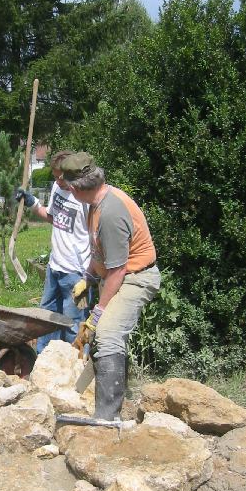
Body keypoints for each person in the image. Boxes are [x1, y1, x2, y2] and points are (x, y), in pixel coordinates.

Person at [61, 152, 161, 422]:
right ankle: (88, 400)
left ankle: (107, 418)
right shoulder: (94, 203)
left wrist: (98, 312)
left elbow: (117, 270)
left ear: (75, 187)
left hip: (136, 278)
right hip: (119, 274)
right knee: (98, 335)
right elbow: (100, 252)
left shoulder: (110, 212)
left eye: (67, 187)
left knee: (106, 333)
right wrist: (89, 277)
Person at [16, 151, 91, 353]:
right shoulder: (58, 189)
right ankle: (43, 360)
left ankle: (76, 367)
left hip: (76, 274)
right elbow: (52, 217)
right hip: (54, 267)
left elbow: (95, 236)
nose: (57, 181)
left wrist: (89, 276)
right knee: (46, 318)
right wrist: (32, 202)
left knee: (72, 323)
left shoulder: (84, 198)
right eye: (55, 176)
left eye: (61, 177)